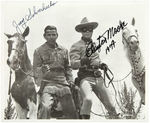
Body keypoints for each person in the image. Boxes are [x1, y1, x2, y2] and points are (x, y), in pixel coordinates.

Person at [69, 17, 119, 119]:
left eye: (90, 29)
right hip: (85, 78)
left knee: (112, 106)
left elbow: (96, 60)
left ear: (92, 31)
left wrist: (101, 64)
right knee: (88, 100)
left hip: (97, 77)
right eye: (84, 30)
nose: (87, 32)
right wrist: (82, 61)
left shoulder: (95, 45)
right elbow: (73, 64)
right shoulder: (76, 46)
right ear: (81, 32)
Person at [33, 25, 77, 119]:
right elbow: (35, 71)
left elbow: (68, 68)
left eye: (53, 34)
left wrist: (71, 81)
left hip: (63, 84)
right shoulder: (38, 51)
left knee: (72, 110)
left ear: (57, 35)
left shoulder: (64, 50)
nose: (51, 37)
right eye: (49, 35)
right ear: (44, 36)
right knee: (45, 107)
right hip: (48, 84)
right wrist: (42, 70)